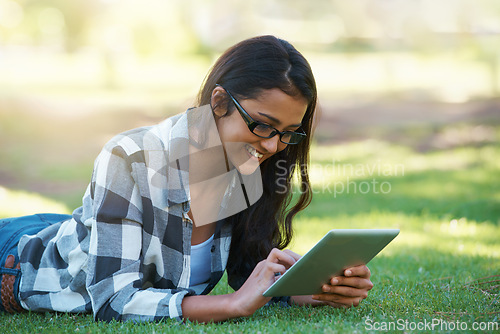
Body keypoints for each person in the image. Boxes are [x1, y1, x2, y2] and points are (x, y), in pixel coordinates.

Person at [0, 35, 373, 323]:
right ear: (219, 102)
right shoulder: (131, 157)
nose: (273, 145)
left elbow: (248, 276)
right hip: (19, 258)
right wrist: (231, 305)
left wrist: (309, 289)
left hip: (74, 231)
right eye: (262, 124)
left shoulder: (247, 167)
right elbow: (113, 301)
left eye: (288, 133)